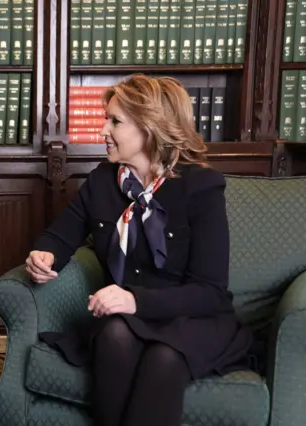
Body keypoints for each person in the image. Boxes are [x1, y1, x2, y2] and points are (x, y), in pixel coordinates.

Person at [25, 74, 253, 426]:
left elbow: (210, 292)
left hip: (192, 319)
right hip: (126, 318)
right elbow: (60, 235)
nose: (103, 130)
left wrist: (134, 300)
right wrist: (45, 255)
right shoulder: (103, 180)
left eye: (115, 121)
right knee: (114, 335)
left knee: (164, 357)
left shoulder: (201, 186)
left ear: (150, 127)